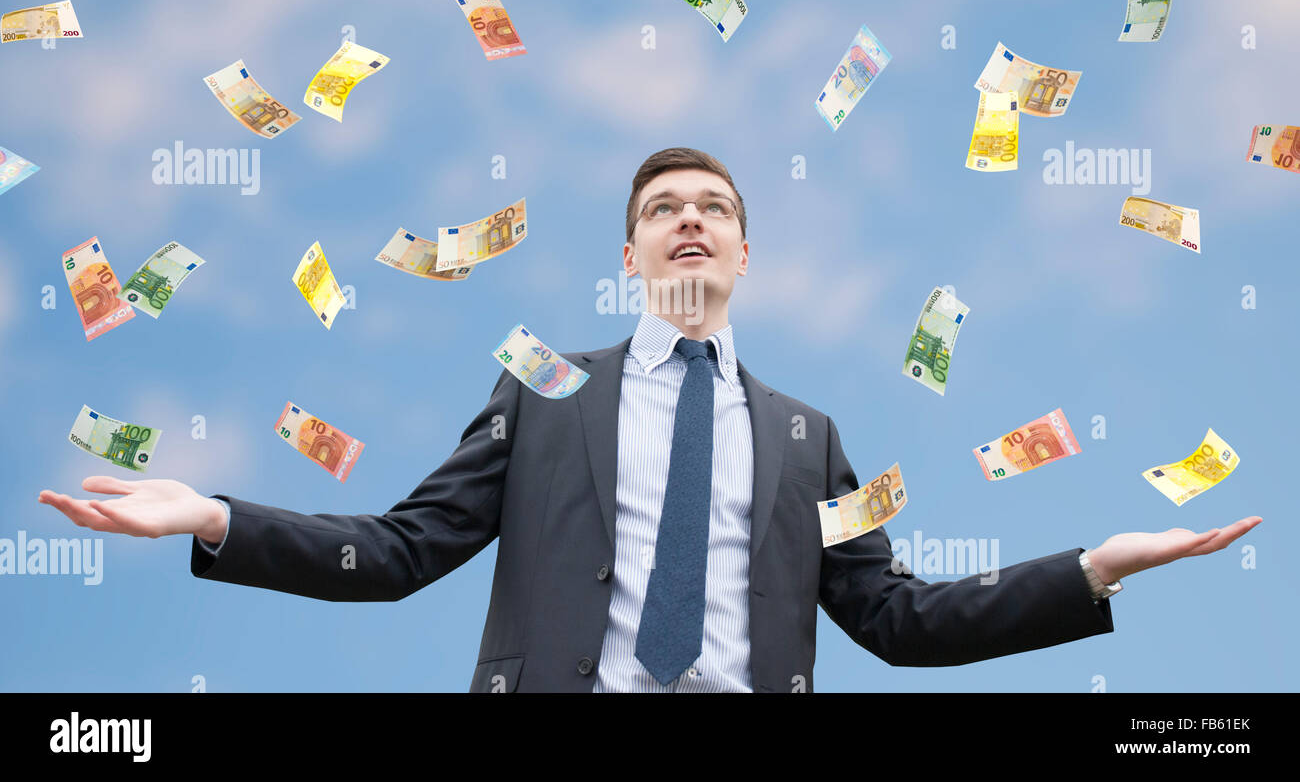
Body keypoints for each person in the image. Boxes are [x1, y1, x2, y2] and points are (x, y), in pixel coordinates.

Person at [39, 147, 1261, 692]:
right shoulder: (546, 389)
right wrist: (211, 514)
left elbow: (895, 619)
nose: (689, 220)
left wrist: (1092, 569)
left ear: (744, 249)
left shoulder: (806, 436)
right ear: (628, 251)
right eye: (664, 207)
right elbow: (404, 553)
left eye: (713, 208)